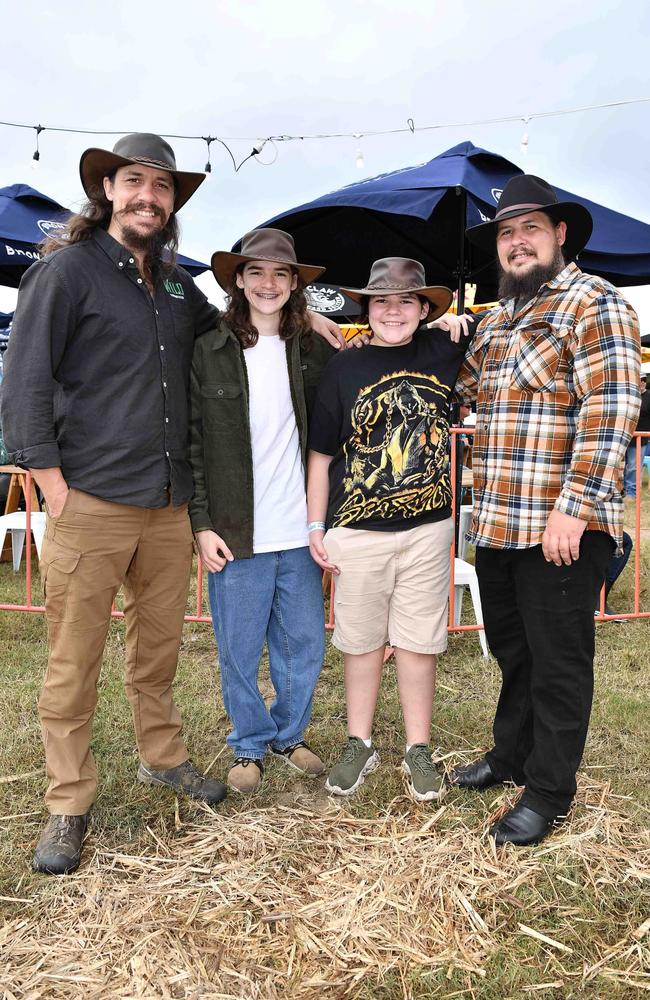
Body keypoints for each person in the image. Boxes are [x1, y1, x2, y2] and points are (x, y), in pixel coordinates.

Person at [0, 133, 342, 876]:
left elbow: (240, 328)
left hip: (165, 507)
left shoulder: (180, 288)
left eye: (161, 187)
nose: (148, 197)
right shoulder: (65, 273)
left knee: (154, 652)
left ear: (172, 202)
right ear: (108, 190)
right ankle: (67, 802)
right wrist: (53, 489)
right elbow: (24, 384)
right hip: (89, 499)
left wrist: (312, 320)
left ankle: (165, 757)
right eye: (134, 182)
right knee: (73, 660)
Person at [451, 174, 641, 846]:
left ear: (560, 235)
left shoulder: (597, 304)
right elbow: (464, 388)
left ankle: (550, 791)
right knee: (514, 651)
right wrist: (445, 330)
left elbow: (612, 407)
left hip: (560, 528)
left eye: (531, 228)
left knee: (559, 661)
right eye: (506, 232)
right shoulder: (498, 320)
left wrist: (576, 506)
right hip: (498, 524)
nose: (517, 242)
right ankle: (511, 757)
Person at [307, 257, 470, 802]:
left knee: (420, 639)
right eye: (381, 302)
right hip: (357, 527)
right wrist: (316, 523)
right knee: (359, 639)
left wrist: (459, 324)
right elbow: (321, 453)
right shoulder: (343, 368)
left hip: (428, 527)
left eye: (406, 301)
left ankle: (417, 748)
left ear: (424, 308)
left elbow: (487, 340)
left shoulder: (445, 350)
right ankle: (360, 741)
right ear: (367, 309)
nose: (393, 312)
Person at [189, 229, 334, 794]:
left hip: (301, 528)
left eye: (280, 273)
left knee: (303, 644)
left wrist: (441, 325)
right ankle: (247, 744)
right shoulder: (209, 349)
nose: (268, 283)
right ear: (238, 280)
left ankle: (289, 735)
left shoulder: (316, 349)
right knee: (239, 647)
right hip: (236, 528)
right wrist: (201, 523)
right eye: (256, 272)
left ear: (295, 283)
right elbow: (194, 444)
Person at [623, 363, 650, 501]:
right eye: (639, 380)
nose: (642, 383)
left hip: (641, 438)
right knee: (620, 466)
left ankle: (631, 493)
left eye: (644, 380)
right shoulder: (628, 396)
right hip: (624, 436)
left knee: (634, 467)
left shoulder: (649, 397)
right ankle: (621, 490)